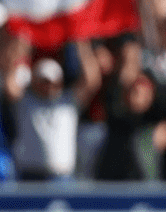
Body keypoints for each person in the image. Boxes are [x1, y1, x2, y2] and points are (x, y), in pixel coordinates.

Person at [7, 47, 100, 182]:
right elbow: (10, 86)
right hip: (28, 175)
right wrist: (20, 48)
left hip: (61, 178)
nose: (48, 86)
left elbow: (92, 81)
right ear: (35, 81)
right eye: (43, 81)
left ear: (59, 81)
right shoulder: (25, 101)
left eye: (52, 81)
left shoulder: (69, 101)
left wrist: (81, 43)